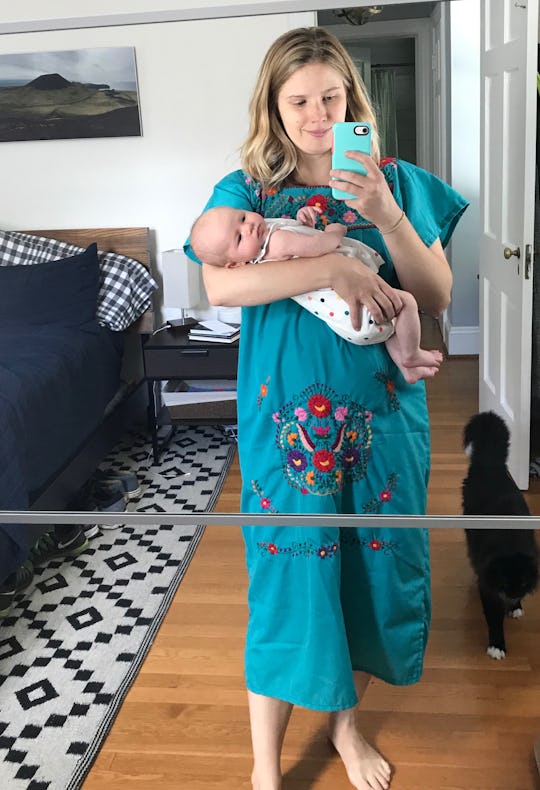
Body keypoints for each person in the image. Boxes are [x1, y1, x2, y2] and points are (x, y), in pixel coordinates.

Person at [184, 26, 468, 790]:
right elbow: (220, 286)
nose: (316, 115)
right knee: (287, 582)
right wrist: (333, 263)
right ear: (274, 108)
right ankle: (266, 768)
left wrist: (383, 213)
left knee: (372, 577)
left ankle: (345, 730)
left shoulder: (393, 177)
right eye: (299, 100)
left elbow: (437, 296)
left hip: (384, 419)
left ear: (353, 99)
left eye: (331, 97)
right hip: (287, 426)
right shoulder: (249, 191)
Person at [190, 204, 443, 383]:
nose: (248, 228)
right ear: (235, 265)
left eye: (242, 218)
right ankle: (411, 354)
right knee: (405, 303)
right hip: (357, 310)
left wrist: (304, 223)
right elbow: (321, 245)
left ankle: (405, 366)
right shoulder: (275, 243)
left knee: (389, 321)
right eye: (238, 238)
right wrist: (335, 230)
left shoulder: (264, 243)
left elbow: (300, 239)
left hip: (350, 322)